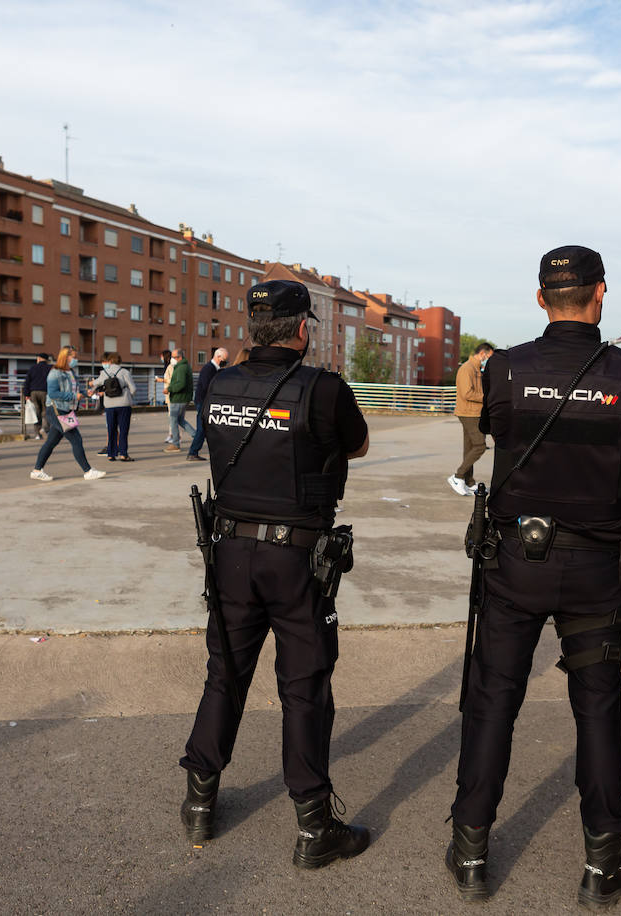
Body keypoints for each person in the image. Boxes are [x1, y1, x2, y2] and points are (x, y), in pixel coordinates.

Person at [446, 246, 621, 907]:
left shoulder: (507, 368)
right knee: (597, 708)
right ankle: (604, 859)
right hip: (596, 563)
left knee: (493, 702)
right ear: (601, 293)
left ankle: (472, 847)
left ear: (542, 298)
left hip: (517, 562)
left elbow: (498, 438)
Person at [179, 279, 372, 868]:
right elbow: (357, 447)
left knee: (225, 674)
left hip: (231, 553)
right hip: (297, 560)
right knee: (304, 686)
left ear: (251, 327)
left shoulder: (219, 384)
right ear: (302, 329)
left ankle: (199, 801)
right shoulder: (322, 388)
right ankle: (314, 825)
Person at [30, 347, 107, 482]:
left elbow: (76, 387)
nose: (76, 359)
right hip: (56, 410)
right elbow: (53, 394)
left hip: (66, 410)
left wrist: (85, 393)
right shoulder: (55, 373)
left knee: (51, 442)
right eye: (74, 357)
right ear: (66, 357)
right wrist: (73, 396)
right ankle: (88, 471)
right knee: (76, 439)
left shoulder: (70, 371)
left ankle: (37, 470)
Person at [449, 341, 494, 495]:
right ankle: (458, 476)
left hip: (474, 412)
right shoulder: (467, 368)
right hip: (468, 413)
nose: (489, 360)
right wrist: (488, 398)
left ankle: (469, 482)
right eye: (489, 357)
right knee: (480, 446)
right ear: (483, 354)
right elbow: (466, 393)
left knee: (469, 448)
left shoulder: (476, 369)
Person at [90, 352, 137, 462]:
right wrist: (128, 396)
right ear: (119, 361)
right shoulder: (124, 372)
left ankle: (111, 454)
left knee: (111, 429)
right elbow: (133, 389)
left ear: (110, 361)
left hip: (109, 405)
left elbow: (95, 384)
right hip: (124, 405)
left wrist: (91, 390)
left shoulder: (104, 372)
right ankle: (123, 454)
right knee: (123, 430)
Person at [186, 347, 229, 462]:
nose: (225, 362)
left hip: (206, 402)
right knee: (202, 429)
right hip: (203, 402)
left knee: (205, 428)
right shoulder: (208, 369)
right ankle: (192, 452)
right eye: (224, 359)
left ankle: (194, 452)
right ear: (218, 357)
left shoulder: (214, 369)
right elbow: (207, 386)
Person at [164, 349, 195, 452]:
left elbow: (180, 384)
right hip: (183, 398)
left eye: (173, 357)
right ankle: (196, 436)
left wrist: (169, 389)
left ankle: (175, 444)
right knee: (180, 420)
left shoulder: (181, 368)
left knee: (173, 420)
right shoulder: (184, 366)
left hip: (178, 398)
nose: (171, 359)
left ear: (179, 357)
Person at [23, 353, 52, 440]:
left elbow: (27, 382)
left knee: (36, 413)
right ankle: (45, 429)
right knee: (46, 412)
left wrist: (26, 394)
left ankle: (37, 434)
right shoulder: (50, 368)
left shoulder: (33, 368)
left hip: (34, 392)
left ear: (39, 359)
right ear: (47, 360)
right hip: (45, 392)